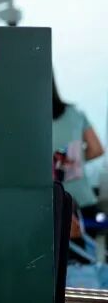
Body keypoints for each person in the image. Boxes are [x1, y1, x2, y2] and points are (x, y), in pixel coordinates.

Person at [53, 79, 105, 214]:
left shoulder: (27, 120)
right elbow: (96, 149)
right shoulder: (75, 114)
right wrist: (72, 160)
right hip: (82, 201)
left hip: (48, 205)